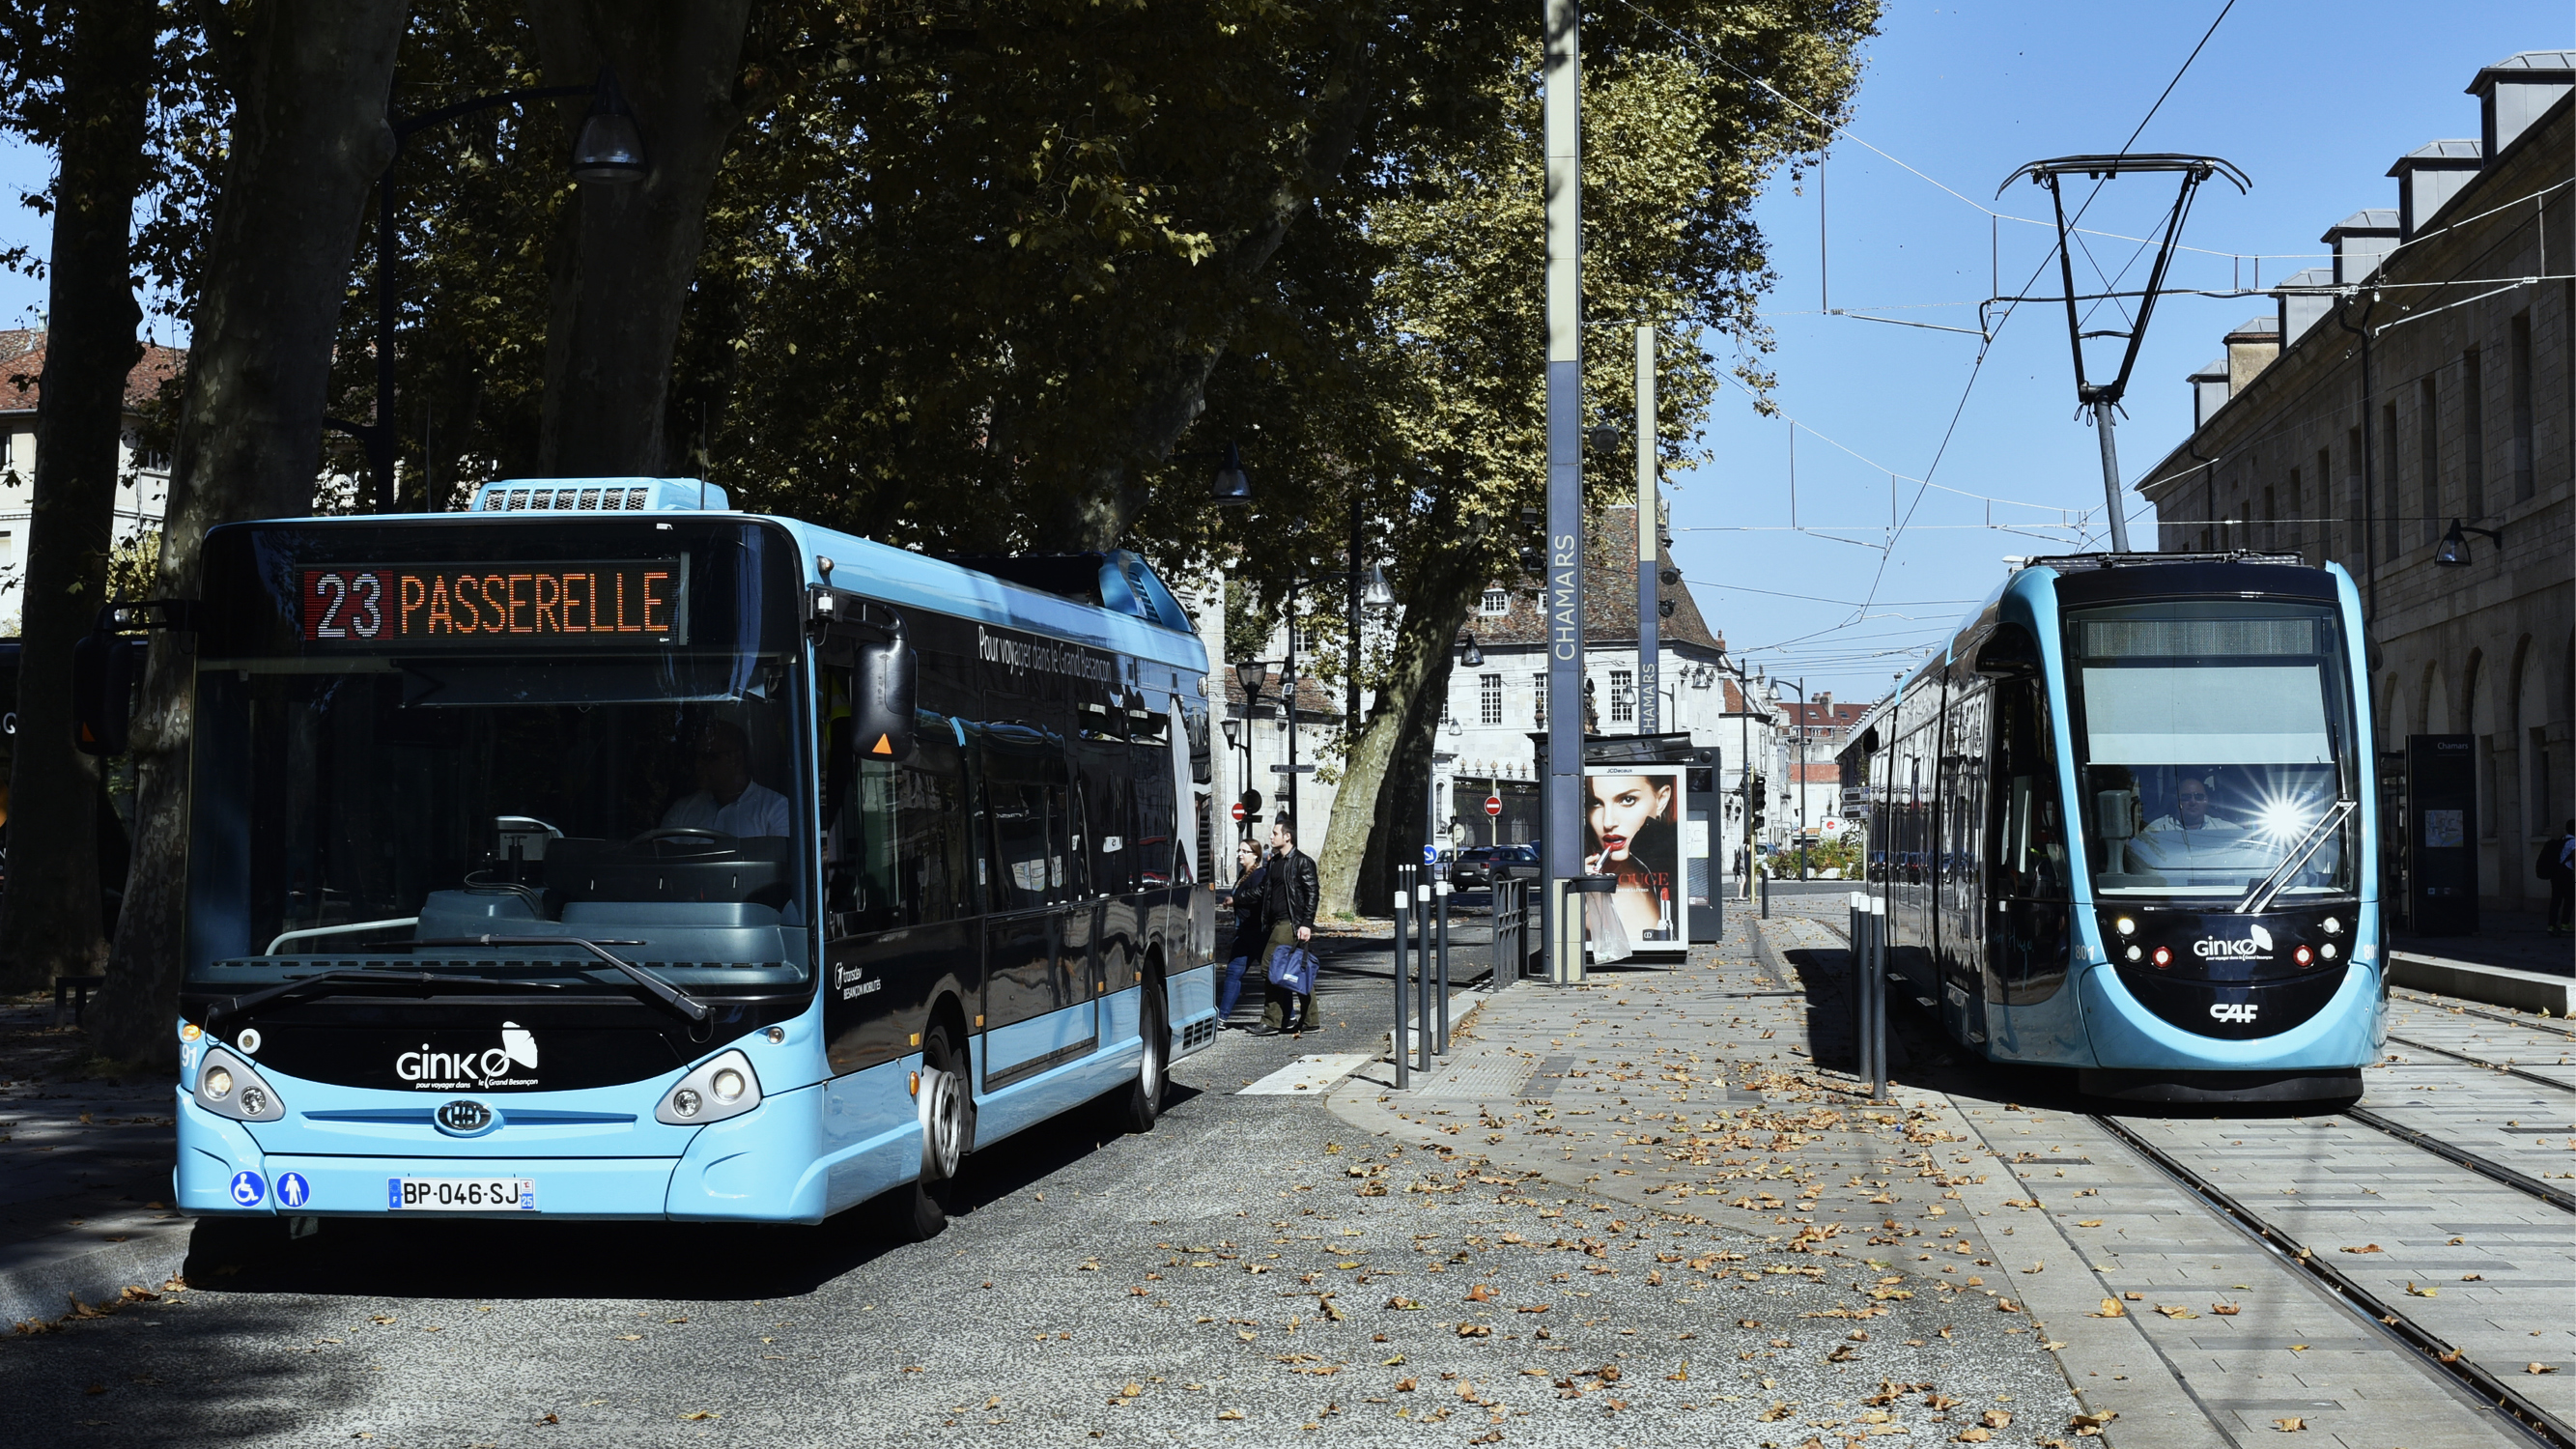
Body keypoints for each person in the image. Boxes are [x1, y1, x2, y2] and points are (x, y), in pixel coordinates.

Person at [1584, 773, 1678, 942]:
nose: (1608, 822)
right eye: (1596, 803)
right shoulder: (1583, 875)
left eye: (1627, 800)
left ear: (1661, 799)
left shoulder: (1666, 865)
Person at [661, 720, 791, 838]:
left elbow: (781, 855)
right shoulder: (682, 810)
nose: (698, 764)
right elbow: (662, 853)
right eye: (696, 757)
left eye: (708, 757)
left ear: (736, 759)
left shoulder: (776, 808)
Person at [1253, 816, 1319, 1037]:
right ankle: (1310, 1020)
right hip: (1275, 924)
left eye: (1275, 833)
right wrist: (1237, 898)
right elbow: (1263, 891)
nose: (1271, 837)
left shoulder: (1302, 862)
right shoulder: (1274, 862)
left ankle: (1272, 1020)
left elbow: (1312, 894)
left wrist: (1306, 924)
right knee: (1295, 969)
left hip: (1290, 923)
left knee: (1269, 966)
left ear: (1287, 836)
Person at [1216, 841, 1268, 1023]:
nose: (1240, 854)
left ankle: (1289, 1014)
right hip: (1243, 933)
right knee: (1233, 973)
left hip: (1256, 933)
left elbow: (1257, 897)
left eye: (1245, 851)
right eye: (1239, 850)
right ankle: (1222, 1017)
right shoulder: (1243, 875)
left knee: (1272, 975)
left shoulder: (1259, 874)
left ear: (1255, 855)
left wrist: (1236, 900)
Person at [2542, 818, 2575, 937]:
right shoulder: (2573, 842)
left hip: (2556, 873)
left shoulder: (2562, 840)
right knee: (2570, 898)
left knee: (2556, 900)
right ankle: (2565, 923)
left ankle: (2551, 925)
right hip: (2567, 873)